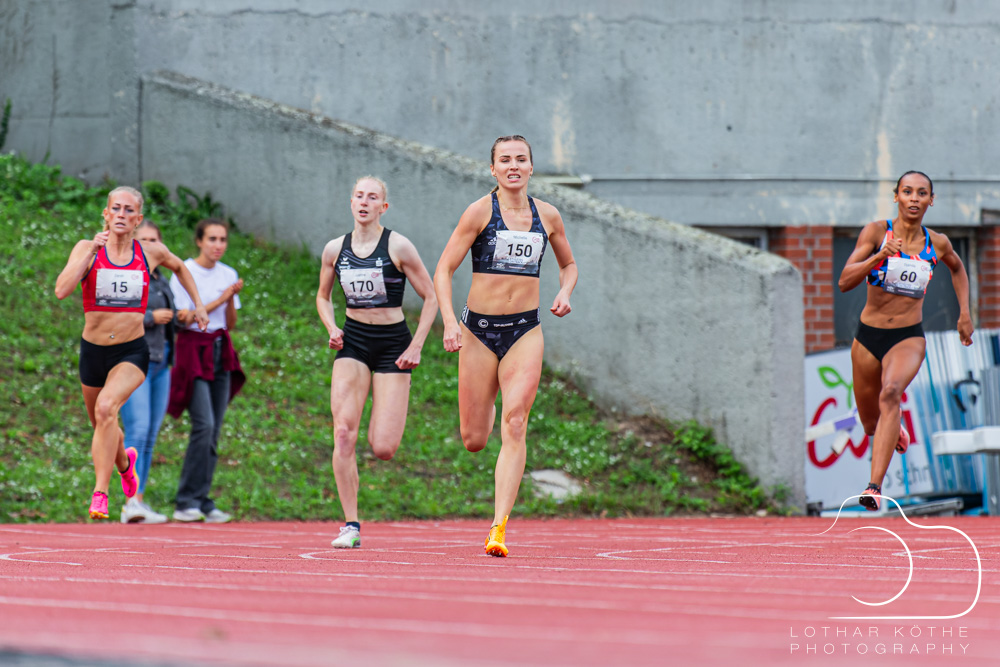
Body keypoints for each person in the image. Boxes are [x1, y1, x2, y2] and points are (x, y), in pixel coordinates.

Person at [434, 135, 578, 556]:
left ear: (531, 167)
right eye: (505, 160)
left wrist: (565, 291)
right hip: (479, 332)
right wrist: (449, 322)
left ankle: (498, 528)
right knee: (474, 438)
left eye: (520, 159)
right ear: (493, 169)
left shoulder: (547, 215)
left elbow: (569, 264)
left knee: (516, 423)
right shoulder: (480, 212)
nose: (513, 166)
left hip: (525, 331)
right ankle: (489, 401)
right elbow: (443, 270)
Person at [55, 186, 209, 520]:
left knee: (107, 409)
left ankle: (100, 493)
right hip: (93, 351)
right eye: (116, 209)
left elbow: (181, 268)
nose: (121, 215)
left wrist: (198, 304)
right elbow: (62, 290)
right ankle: (126, 465)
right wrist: (89, 252)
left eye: (128, 210)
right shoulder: (86, 248)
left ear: (138, 220)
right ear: (106, 214)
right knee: (101, 422)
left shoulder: (150, 252)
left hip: (131, 351)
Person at [838, 171, 973, 511]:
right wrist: (878, 256)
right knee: (871, 424)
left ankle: (873, 487)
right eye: (908, 191)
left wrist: (964, 313)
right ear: (896, 196)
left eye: (921, 193)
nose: (914, 198)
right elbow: (844, 281)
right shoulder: (875, 232)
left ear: (931, 200)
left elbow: (958, 269)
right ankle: (894, 429)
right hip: (868, 337)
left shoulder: (937, 243)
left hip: (907, 337)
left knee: (891, 392)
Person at [316, 176, 438, 548]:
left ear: (383, 207)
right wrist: (332, 326)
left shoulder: (398, 246)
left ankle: (382, 421)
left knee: (383, 447)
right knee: (342, 433)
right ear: (351, 202)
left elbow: (431, 297)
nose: (364, 202)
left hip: (392, 345)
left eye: (372, 197)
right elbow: (323, 296)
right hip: (353, 341)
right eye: (359, 196)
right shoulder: (335, 249)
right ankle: (350, 525)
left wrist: (416, 346)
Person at [167, 218, 246, 523]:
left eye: (223, 239)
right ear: (199, 241)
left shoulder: (228, 274)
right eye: (212, 239)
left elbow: (230, 322)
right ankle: (185, 500)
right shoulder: (184, 270)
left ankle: (202, 500)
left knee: (214, 429)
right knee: (204, 425)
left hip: (219, 350)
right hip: (192, 350)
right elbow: (184, 318)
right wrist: (222, 298)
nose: (218, 245)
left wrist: (229, 301)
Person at [119, 220, 176, 524]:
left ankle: (139, 500)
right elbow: (116, 317)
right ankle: (129, 501)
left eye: (154, 240)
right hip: (134, 361)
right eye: (143, 240)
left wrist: (182, 317)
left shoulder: (162, 279)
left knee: (151, 434)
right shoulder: (125, 275)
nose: (150, 246)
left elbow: (171, 319)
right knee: (137, 430)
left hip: (162, 361)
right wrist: (152, 316)